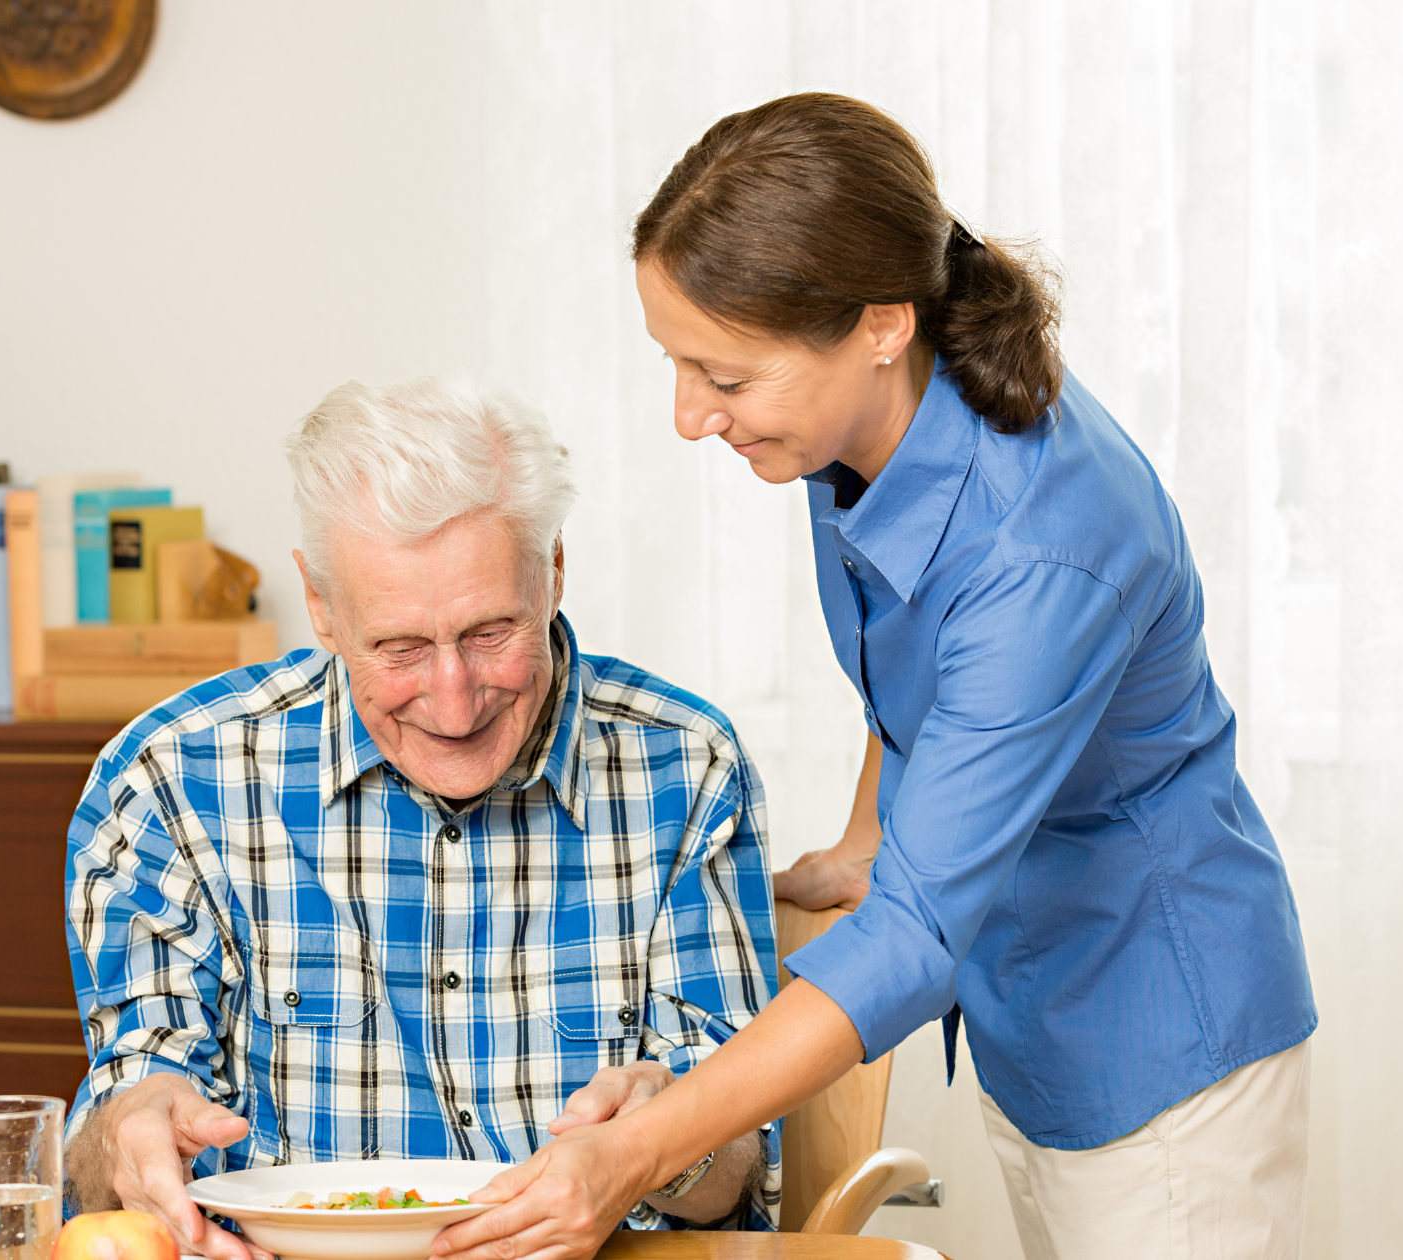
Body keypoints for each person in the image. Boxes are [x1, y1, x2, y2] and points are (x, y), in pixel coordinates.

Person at [436, 93, 1318, 1260]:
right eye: (676, 363)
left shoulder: (1042, 546)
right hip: (1034, 1008)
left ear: (879, 325)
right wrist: (865, 836)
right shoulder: (858, 431)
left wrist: (630, 1157)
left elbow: (913, 936)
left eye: (727, 377)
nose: (690, 415)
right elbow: (908, 664)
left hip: (1155, 1037)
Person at [61, 377, 780, 1255]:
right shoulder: (171, 776)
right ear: (321, 605)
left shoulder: (685, 766)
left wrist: (660, 1144)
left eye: (490, 634)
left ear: (553, 568)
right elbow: (121, 1117)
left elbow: (738, 1171)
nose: (452, 701)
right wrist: (128, 1132)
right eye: (400, 649)